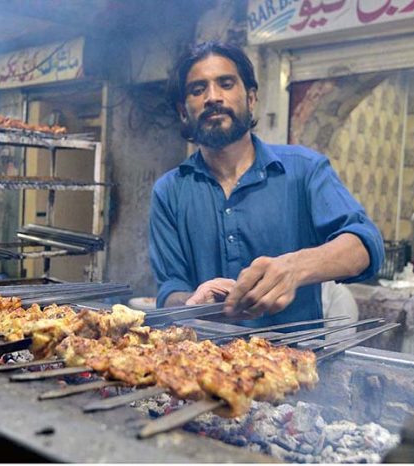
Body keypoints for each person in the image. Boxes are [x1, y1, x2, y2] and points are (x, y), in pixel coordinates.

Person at [149, 41, 384, 328]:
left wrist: (294, 268)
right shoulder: (169, 191)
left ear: (250, 98)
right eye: (198, 90)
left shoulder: (304, 170)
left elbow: (365, 246)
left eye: (225, 83)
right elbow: (169, 291)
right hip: (202, 366)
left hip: (295, 366)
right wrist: (194, 303)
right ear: (184, 111)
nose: (212, 97)